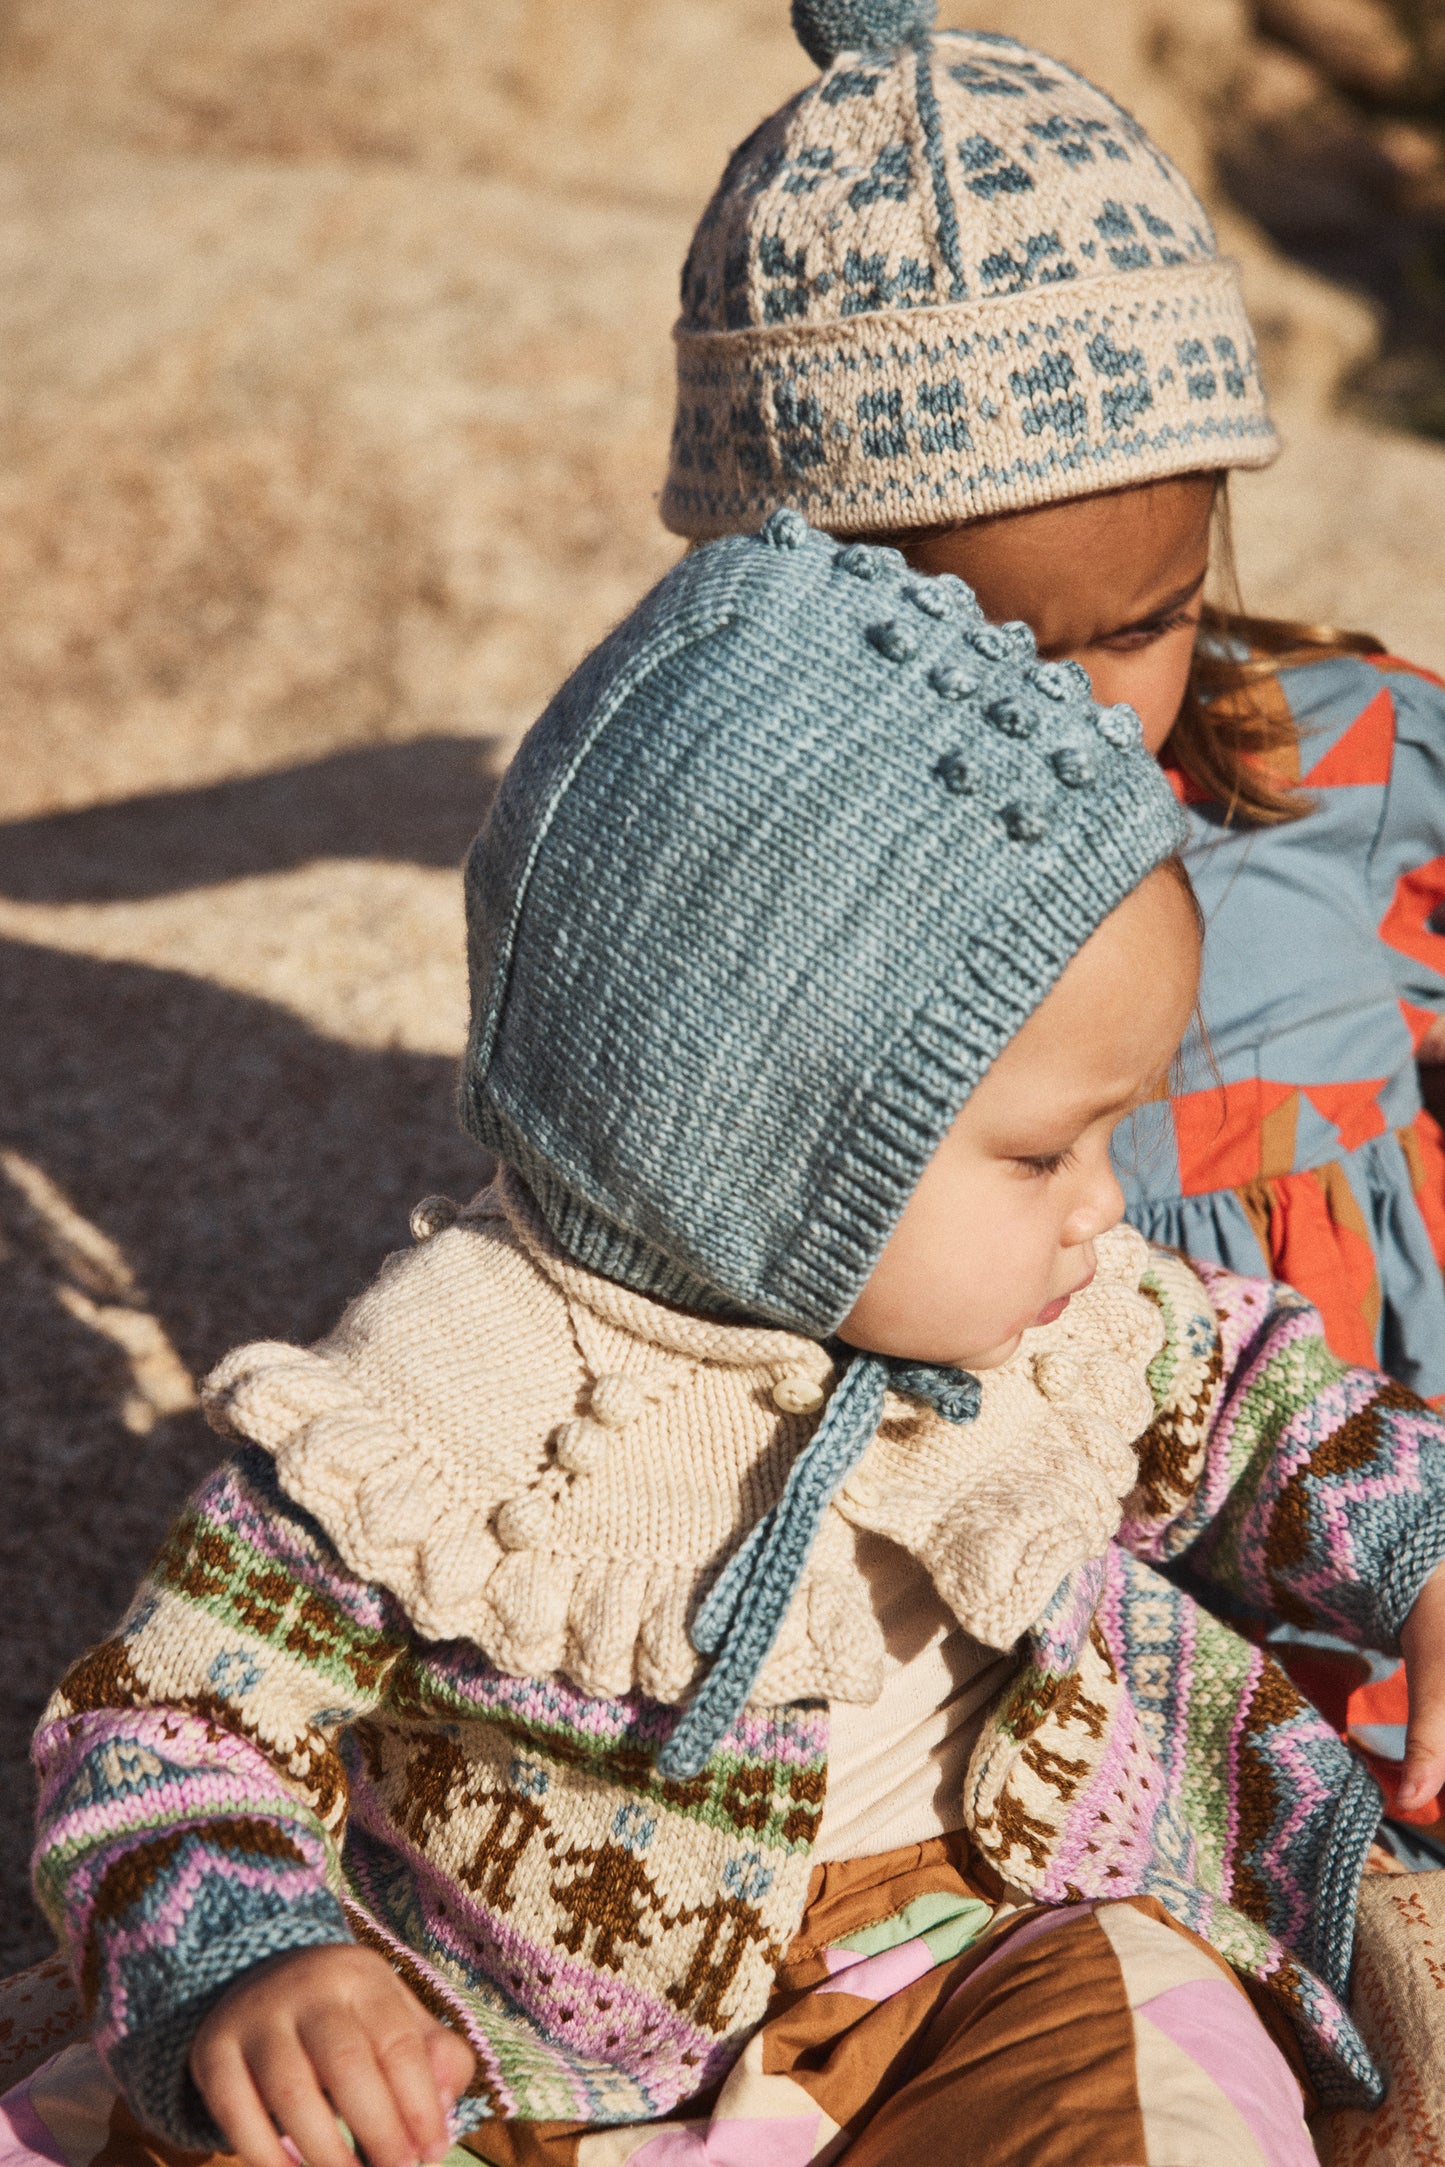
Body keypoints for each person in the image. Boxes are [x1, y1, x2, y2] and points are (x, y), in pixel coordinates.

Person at [14, 512, 1445, 2167]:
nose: (1103, 1206)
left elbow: (1276, 1413)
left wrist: (1418, 1549)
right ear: (762, 1142)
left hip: (1011, 1934)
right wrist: (257, 1963)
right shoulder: (450, 1399)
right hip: (523, 2047)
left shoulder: (1074, 1321)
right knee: (274, 2125)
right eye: (1045, 1152)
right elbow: (168, 1726)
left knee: (1157, 2092)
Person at [662, 0, 1445, 1414]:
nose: (1079, 711)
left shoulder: (1338, 755)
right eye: (983, 649)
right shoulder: (766, 902)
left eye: (1146, 623)